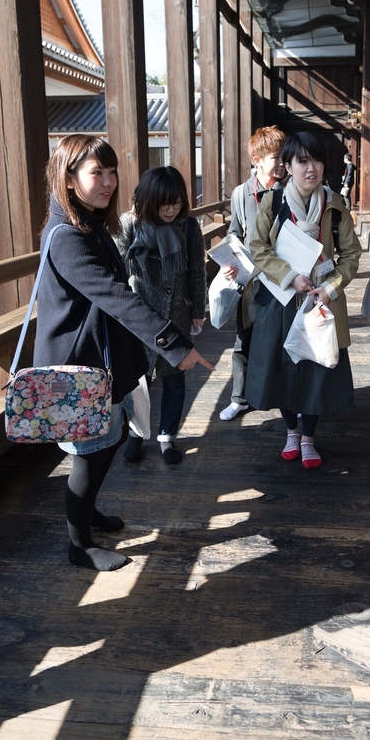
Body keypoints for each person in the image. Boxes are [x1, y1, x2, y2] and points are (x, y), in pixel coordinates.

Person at [35, 135, 214, 572]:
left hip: (102, 358)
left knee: (107, 441)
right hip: (80, 364)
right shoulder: (66, 236)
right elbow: (116, 296)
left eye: (112, 171)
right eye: (98, 172)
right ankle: (78, 544)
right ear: (69, 176)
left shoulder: (88, 223)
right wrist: (174, 344)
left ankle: (88, 512)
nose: (110, 181)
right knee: (89, 452)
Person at [245, 131, 361, 468]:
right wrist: (289, 275)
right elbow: (258, 247)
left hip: (320, 300)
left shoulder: (336, 206)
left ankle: (308, 438)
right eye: (302, 161)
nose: (312, 168)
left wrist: (330, 287)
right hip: (281, 297)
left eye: (317, 160)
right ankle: (291, 430)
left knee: (316, 369)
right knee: (282, 368)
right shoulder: (273, 202)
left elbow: (351, 256)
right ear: (289, 165)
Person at [116, 167, 207, 464]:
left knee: (174, 381)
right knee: (137, 381)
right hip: (139, 318)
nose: (171, 209)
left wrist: (197, 311)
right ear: (149, 200)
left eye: (177, 202)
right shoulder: (130, 225)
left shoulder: (189, 227)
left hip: (175, 314)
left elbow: (197, 271)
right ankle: (135, 434)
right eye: (164, 203)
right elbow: (116, 269)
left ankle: (168, 436)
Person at [219, 126, 287, 422]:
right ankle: (239, 398)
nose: (283, 163)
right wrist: (228, 261)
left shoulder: (289, 189)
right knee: (242, 339)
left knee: (282, 339)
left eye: (285, 156)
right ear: (257, 159)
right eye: (276, 157)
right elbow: (235, 232)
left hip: (284, 277)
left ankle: (282, 398)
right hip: (251, 279)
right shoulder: (240, 193)